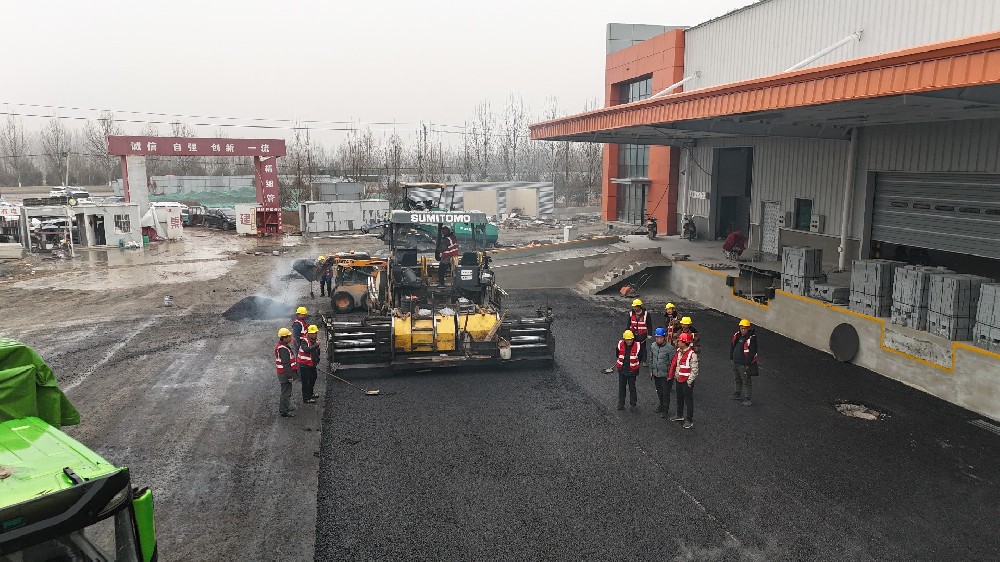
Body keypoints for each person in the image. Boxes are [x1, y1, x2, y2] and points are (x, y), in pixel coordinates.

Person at [671, 332, 699, 429]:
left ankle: (689, 420)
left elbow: (694, 370)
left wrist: (689, 381)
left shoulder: (692, 355)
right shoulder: (679, 351)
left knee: (688, 400)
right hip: (679, 379)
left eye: (679, 341)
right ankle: (679, 415)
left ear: (684, 343)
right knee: (679, 398)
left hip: (687, 382)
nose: (678, 342)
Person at [730, 318, 758, 406]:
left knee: (746, 381)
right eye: (741, 328)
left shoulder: (751, 339)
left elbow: (752, 352)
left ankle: (748, 399)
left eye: (744, 328)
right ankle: (737, 393)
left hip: (743, 364)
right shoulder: (737, 335)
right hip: (735, 362)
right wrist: (731, 358)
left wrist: (746, 363)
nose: (742, 330)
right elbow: (732, 346)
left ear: (748, 328)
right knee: (737, 378)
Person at [647, 327, 675, 418]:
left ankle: (665, 410)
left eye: (660, 337)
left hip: (665, 375)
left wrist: (670, 375)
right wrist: (651, 371)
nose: (659, 339)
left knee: (666, 392)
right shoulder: (653, 346)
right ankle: (661, 405)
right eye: (657, 337)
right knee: (659, 391)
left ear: (664, 337)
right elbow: (651, 359)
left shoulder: (670, 348)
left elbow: (672, 363)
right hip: (656, 373)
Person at [615, 330, 641, 410]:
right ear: (624, 339)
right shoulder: (620, 345)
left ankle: (633, 404)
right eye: (628, 340)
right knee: (622, 388)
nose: (629, 341)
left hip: (632, 372)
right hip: (622, 371)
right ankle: (621, 403)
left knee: (632, 388)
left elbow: (640, 357)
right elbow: (617, 354)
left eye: (631, 339)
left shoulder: (637, 346)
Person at [275, 328, 298, 418]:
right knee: (286, 393)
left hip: (283, 373)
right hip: (284, 374)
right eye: (289, 337)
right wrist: (289, 376)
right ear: (284, 338)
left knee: (287, 391)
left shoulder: (283, 346)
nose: (290, 338)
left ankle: (286, 407)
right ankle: (284, 411)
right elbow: (286, 364)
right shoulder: (283, 349)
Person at [298, 324, 321, 403]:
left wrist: (317, 359)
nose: (315, 335)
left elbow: (316, 351)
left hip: (311, 364)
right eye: (313, 333)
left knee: (313, 378)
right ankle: (306, 398)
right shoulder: (304, 341)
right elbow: (306, 350)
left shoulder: (314, 340)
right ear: (309, 333)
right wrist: (316, 345)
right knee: (306, 382)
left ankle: (310, 393)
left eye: (316, 333)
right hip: (304, 365)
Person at [627, 299, 652, 364]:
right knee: (633, 347)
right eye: (633, 307)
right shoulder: (631, 313)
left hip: (642, 334)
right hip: (633, 334)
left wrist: (649, 333)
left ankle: (644, 360)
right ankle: (633, 359)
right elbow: (628, 324)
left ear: (639, 306)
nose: (634, 308)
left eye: (635, 307)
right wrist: (627, 333)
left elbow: (649, 324)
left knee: (643, 348)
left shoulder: (646, 314)